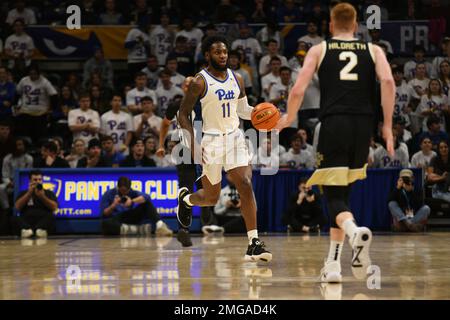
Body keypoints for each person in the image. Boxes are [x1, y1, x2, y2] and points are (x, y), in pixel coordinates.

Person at [276, 2, 395, 283]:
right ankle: (332, 265)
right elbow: (388, 81)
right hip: (363, 127)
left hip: (334, 124)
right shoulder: (373, 50)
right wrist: (387, 127)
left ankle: (354, 235)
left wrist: (288, 117)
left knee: (333, 197)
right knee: (343, 196)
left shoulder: (320, 49)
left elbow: (298, 88)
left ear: (331, 25)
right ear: (355, 26)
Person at [178, 35, 272, 262]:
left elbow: (243, 110)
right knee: (211, 197)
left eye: (225, 52)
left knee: (245, 184)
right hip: (211, 141)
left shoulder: (237, 78)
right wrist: (193, 143)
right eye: (217, 52)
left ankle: (254, 243)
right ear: (207, 55)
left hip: (235, 137)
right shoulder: (199, 82)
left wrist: (265, 113)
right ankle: (187, 200)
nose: (222, 55)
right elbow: (182, 115)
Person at [156, 78, 214, 247]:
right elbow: (165, 124)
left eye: (193, 85)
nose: (190, 87)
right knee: (185, 190)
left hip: (207, 149)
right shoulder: (176, 105)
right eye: (187, 84)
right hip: (184, 151)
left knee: (207, 189)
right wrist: (161, 145)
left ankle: (206, 207)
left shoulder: (207, 104)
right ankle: (183, 230)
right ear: (183, 87)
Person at [100, 176, 172, 236]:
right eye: (122, 191)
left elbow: (146, 197)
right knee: (105, 224)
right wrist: (114, 205)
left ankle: (160, 226)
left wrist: (131, 201)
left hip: (131, 215)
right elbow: (104, 213)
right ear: (118, 188)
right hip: (118, 218)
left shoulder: (133, 192)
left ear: (129, 188)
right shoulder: (109, 193)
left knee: (147, 203)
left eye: (126, 191)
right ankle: (138, 230)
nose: (124, 193)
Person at [14, 64, 58, 142]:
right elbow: (17, 93)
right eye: (31, 74)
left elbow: (54, 95)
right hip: (26, 112)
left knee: (39, 136)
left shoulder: (44, 82)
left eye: (35, 74)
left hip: (40, 113)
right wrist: (16, 106)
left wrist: (51, 109)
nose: (33, 76)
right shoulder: (24, 80)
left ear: (38, 74)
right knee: (26, 135)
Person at [14, 170, 58, 238]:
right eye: (35, 180)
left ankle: (39, 230)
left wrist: (42, 197)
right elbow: (17, 206)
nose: (37, 182)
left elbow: (54, 207)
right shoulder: (24, 193)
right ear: (30, 181)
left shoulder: (48, 193)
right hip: (27, 218)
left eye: (39, 179)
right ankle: (27, 230)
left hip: (43, 219)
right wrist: (29, 193)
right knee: (15, 217)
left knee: (51, 216)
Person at [0, 138, 33, 220]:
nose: (19, 147)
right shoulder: (7, 158)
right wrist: (9, 183)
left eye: (21, 145)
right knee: (1, 188)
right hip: (11, 184)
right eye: (17, 145)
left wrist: (21, 182)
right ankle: (6, 209)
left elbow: (29, 174)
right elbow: (5, 175)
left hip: (24, 183)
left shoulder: (28, 158)